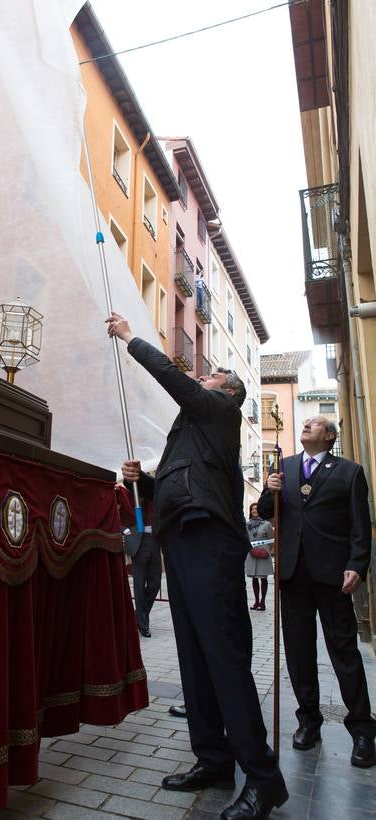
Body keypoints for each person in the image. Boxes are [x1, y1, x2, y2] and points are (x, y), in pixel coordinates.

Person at [107, 312, 287, 820]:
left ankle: (263, 777)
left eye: (209, 378)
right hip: (181, 539)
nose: (202, 379)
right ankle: (213, 758)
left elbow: (175, 379)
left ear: (226, 394)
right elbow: (176, 488)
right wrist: (143, 482)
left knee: (224, 658)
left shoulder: (221, 414)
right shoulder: (191, 432)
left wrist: (130, 339)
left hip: (211, 542)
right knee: (192, 656)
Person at [258, 416, 376, 767]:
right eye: (306, 423)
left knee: (344, 652)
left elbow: (360, 524)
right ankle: (309, 721)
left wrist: (357, 564)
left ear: (329, 436)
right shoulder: (287, 467)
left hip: (333, 575)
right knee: (298, 652)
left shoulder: (349, 472)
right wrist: (270, 489)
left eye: (316, 424)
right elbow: (266, 512)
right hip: (293, 574)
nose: (307, 425)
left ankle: (363, 730)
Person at [121, 492, 162, 638]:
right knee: (139, 586)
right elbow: (116, 513)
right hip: (139, 543)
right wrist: (124, 530)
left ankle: (138, 617)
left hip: (155, 542)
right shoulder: (130, 495)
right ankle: (144, 626)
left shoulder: (155, 494)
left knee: (155, 584)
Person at [245, 502, 273, 611]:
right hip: (251, 553)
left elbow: (271, 540)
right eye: (252, 509)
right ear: (250, 511)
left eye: (256, 509)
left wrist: (265, 550)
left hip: (263, 554)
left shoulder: (266, 524)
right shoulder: (247, 525)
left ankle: (263, 602)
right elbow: (246, 538)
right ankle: (256, 602)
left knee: (263, 577)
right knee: (254, 578)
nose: (254, 510)